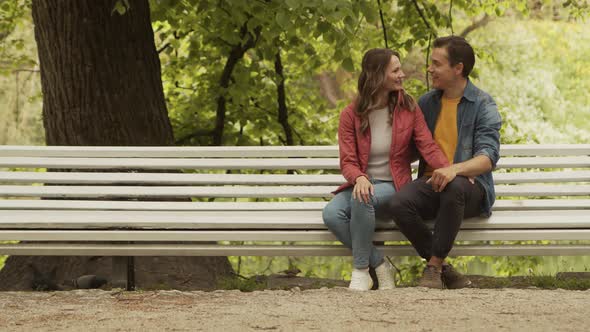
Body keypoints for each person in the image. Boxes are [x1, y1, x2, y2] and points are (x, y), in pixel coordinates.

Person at [322, 48, 450, 291]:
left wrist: (450, 170)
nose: (402, 74)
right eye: (396, 70)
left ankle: (361, 270)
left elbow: (427, 146)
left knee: (363, 197)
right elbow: (347, 161)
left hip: (393, 185)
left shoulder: (409, 108)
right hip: (362, 183)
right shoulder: (351, 114)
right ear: (378, 76)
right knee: (331, 214)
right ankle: (380, 265)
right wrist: (359, 177)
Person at [386, 36, 502, 289]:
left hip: (470, 189)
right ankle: (444, 268)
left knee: (455, 186)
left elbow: (487, 158)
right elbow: (412, 149)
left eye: (436, 64)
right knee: (398, 203)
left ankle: (433, 266)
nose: (430, 69)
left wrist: (454, 169)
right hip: (431, 184)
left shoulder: (483, 104)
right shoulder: (427, 103)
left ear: (458, 68)